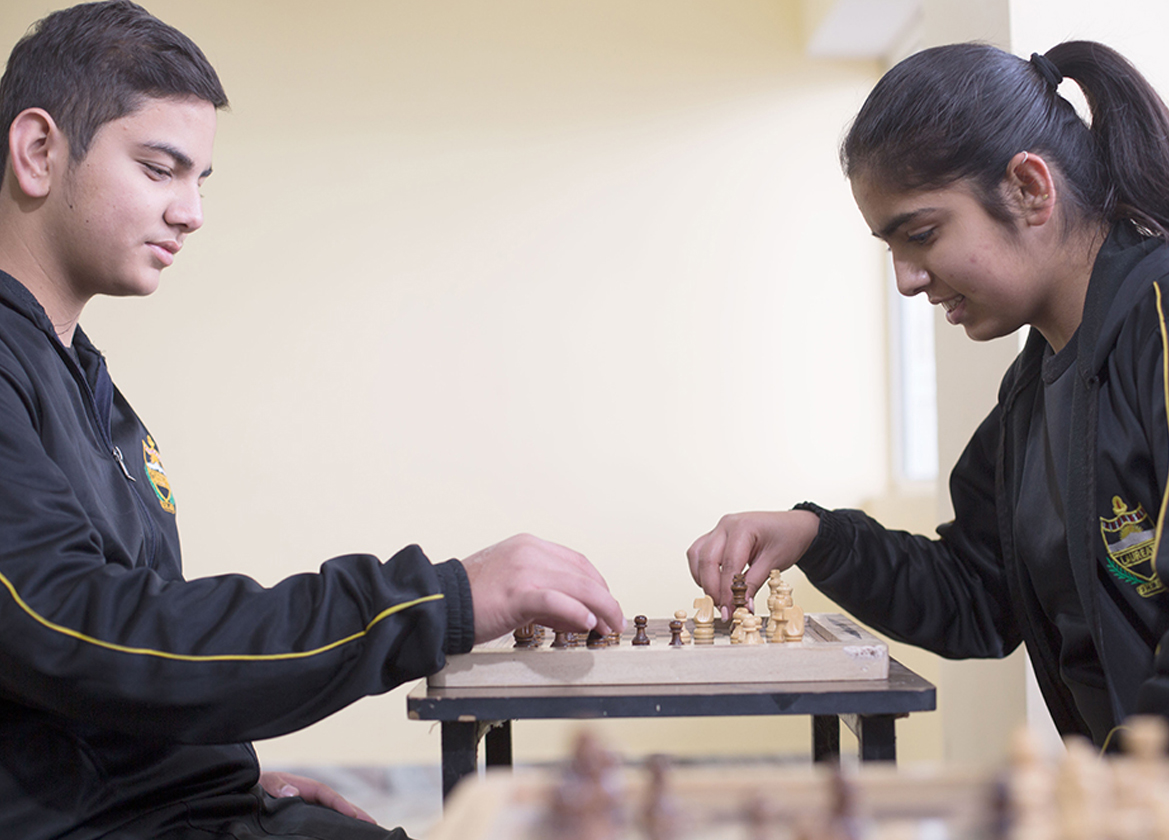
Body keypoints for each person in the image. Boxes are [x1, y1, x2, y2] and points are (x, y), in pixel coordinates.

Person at [0, 2, 624, 838]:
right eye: (159, 169)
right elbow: (71, 627)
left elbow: (125, 665)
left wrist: (225, 776)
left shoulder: (83, 379)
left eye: (199, 181)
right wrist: (434, 601)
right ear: (39, 151)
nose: (191, 213)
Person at [688, 40, 1169, 750]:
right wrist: (818, 537)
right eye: (892, 250)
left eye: (921, 234)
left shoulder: (1157, 321)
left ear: (1029, 188)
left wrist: (1131, 783)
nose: (907, 280)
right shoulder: (1032, 393)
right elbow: (977, 597)